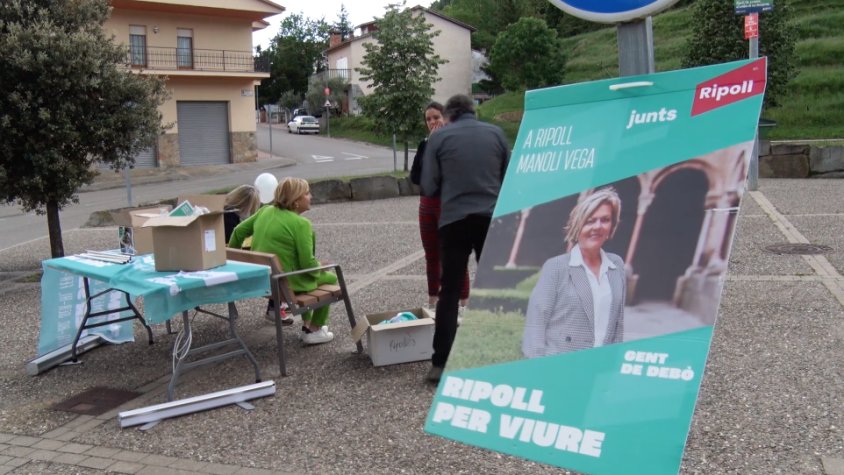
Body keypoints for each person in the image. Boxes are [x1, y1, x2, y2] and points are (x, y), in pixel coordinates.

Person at [420, 94, 510, 383]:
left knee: (450, 290)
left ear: (449, 116)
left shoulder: (439, 138)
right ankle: (499, 354)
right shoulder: (496, 134)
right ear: (473, 111)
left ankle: (441, 363)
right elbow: (508, 177)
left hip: (454, 220)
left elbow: (429, 186)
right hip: (490, 218)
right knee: (493, 285)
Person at [228, 178, 337, 345]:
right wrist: (320, 267)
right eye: (307, 193)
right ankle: (314, 329)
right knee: (331, 278)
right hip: (287, 285)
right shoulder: (301, 224)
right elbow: (307, 264)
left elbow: (237, 231)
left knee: (313, 276)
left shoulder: (265, 211)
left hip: (264, 282)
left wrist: (234, 259)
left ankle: (307, 325)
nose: (311, 196)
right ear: (295, 200)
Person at [521, 188, 626, 358]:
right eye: (590, 221)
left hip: (598, 368)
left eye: (605, 220)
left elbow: (617, 325)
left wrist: (612, 366)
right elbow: (535, 325)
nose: (597, 227)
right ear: (578, 225)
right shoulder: (556, 267)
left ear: (612, 225)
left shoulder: (616, 265)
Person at [409, 102, 470, 309]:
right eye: (429, 119)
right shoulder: (424, 144)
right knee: (431, 254)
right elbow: (416, 177)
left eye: (436, 117)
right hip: (427, 204)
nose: (433, 122)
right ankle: (433, 299)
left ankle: (463, 302)